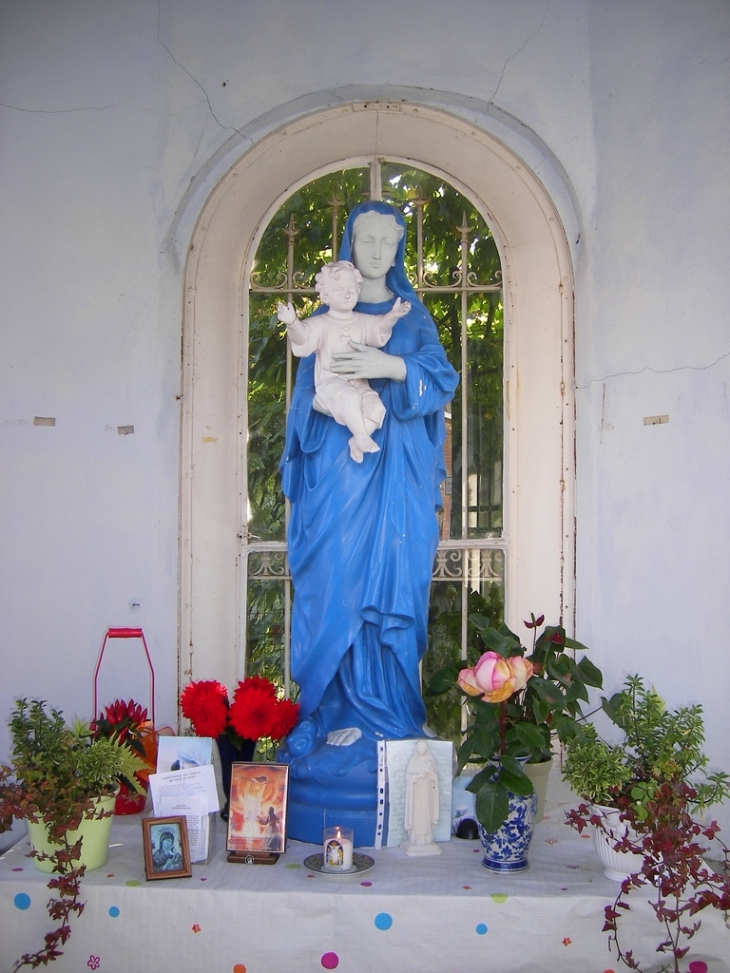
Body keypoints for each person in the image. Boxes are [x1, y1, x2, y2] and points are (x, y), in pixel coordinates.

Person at [278, 201, 459, 840]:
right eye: (366, 238)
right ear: (352, 245)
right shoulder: (329, 319)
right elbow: (303, 405)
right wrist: (328, 408)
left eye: (388, 239)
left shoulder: (410, 318)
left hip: (396, 492)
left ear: (400, 247)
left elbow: (441, 378)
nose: (377, 249)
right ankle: (324, 714)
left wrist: (389, 368)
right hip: (337, 481)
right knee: (330, 587)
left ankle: (387, 716)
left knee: (389, 599)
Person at [277, 260, 411, 462]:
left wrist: (393, 315)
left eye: (352, 288)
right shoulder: (320, 323)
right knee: (348, 397)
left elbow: (378, 328)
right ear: (326, 295)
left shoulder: (361, 320)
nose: (347, 293)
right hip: (330, 383)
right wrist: (293, 323)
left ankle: (357, 440)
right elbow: (303, 338)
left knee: (377, 407)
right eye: (339, 289)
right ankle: (362, 437)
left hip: (358, 383)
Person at [401, 740, 442, 855]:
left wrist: (429, 775)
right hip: (416, 795)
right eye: (420, 748)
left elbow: (435, 777)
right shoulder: (414, 761)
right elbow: (409, 777)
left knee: (426, 814)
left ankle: (426, 837)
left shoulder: (429, 761)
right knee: (417, 815)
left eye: (423, 748)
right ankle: (416, 836)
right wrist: (417, 778)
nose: (421, 750)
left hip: (427, 793)